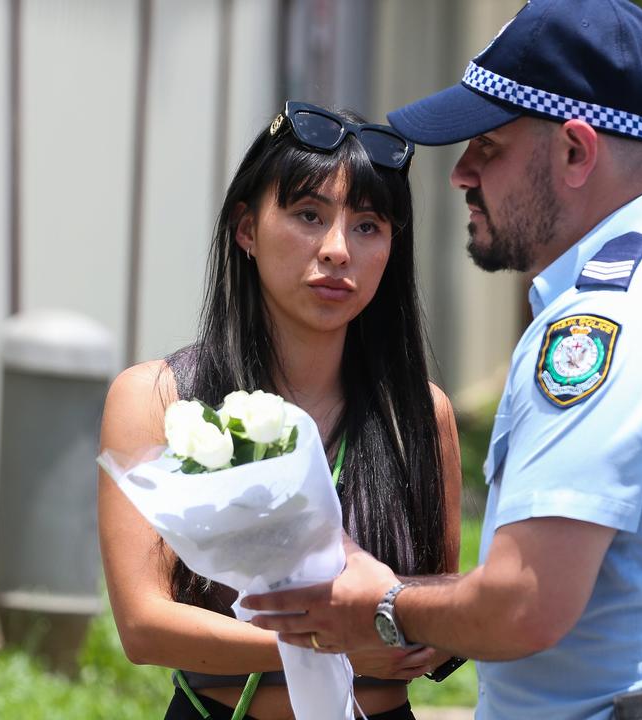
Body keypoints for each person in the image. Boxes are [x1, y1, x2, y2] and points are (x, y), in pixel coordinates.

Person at [242, 2, 642, 718]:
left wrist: (379, 605)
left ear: (575, 152)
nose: (462, 175)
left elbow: (526, 602)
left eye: (489, 147)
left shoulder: (608, 316)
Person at [97, 102, 463, 720]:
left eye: (369, 225)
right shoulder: (159, 397)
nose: (338, 249)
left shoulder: (421, 415)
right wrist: (334, 643)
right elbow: (143, 625)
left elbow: (443, 600)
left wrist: (424, 627)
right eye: (308, 215)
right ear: (246, 229)